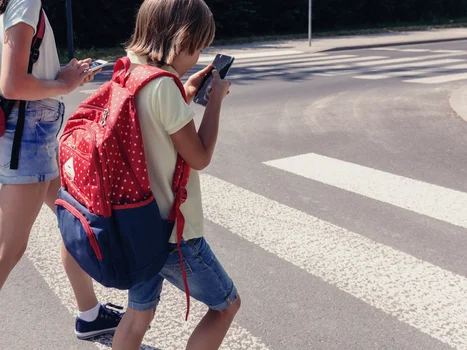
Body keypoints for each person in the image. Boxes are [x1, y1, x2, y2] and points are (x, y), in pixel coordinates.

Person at [111, 0, 241, 349]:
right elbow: (198, 157)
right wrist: (216, 100)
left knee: (137, 316)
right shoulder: (164, 88)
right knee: (227, 306)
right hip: (173, 235)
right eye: (197, 48)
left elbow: (150, 122)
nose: (198, 57)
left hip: (136, 226)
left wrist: (183, 89)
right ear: (181, 41)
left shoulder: (129, 70)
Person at [0, 0, 122, 340]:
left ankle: (90, 314)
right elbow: (12, 85)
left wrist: (62, 75)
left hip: (32, 131)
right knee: (8, 248)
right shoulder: (25, 2)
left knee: (72, 217)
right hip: (29, 134)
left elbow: (21, 72)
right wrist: (65, 85)